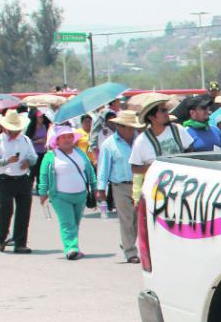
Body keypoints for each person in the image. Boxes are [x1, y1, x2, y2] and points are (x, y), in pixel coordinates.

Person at [39, 125, 97, 260]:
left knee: (75, 222)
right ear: (57, 140)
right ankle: (71, 249)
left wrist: (95, 188)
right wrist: (43, 193)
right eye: (63, 137)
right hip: (60, 196)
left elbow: (90, 171)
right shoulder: (50, 156)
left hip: (81, 195)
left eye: (70, 136)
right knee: (67, 223)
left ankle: (74, 246)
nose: (67, 140)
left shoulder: (80, 153)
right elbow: (43, 176)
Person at [97, 110, 144, 263]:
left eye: (133, 127)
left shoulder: (140, 141)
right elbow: (103, 168)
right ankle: (130, 252)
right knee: (126, 219)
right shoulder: (109, 145)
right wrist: (101, 189)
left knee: (138, 219)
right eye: (128, 127)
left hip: (139, 184)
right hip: (120, 186)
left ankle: (126, 242)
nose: (131, 131)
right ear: (120, 127)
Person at [0, 109, 38, 253]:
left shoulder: (25, 140)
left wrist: (28, 161)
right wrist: (6, 161)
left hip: (22, 178)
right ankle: (1, 238)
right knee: (4, 210)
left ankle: (20, 242)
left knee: (24, 210)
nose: (15, 132)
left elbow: (34, 156)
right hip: (4, 179)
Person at [129, 94, 194, 203]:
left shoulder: (178, 130)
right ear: (152, 117)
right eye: (163, 111)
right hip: (156, 195)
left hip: (182, 189)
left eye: (166, 110)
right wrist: (156, 167)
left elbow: (191, 151)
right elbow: (135, 168)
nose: (167, 113)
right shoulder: (142, 141)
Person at [25, 109, 51, 193]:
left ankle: (39, 188)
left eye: (42, 117)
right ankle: (28, 188)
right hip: (34, 152)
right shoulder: (31, 127)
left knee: (41, 171)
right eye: (39, 117)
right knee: (33, 171)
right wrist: (37, 141)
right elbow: (27, 141)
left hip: (43, 152)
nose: (41, 119)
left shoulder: (44, 127)